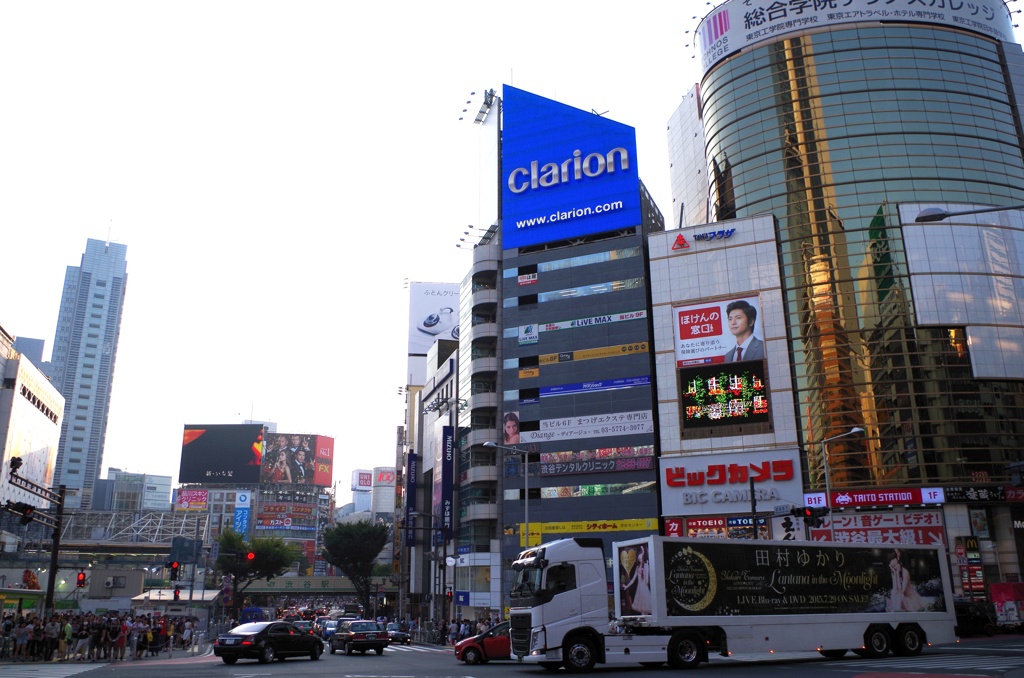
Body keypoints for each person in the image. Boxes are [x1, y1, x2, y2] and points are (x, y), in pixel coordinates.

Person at [624, 546, 652, 615]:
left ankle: (647, 621)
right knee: (642, 609)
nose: (640, 559)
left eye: (641, 558)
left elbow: (647, 580)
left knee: (645, 608)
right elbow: (633, 579)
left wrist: (643, 551)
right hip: (639, 589)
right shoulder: (637, 568)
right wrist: (626, 586)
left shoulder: (646, 566)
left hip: (644, 589)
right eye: (639, 558)